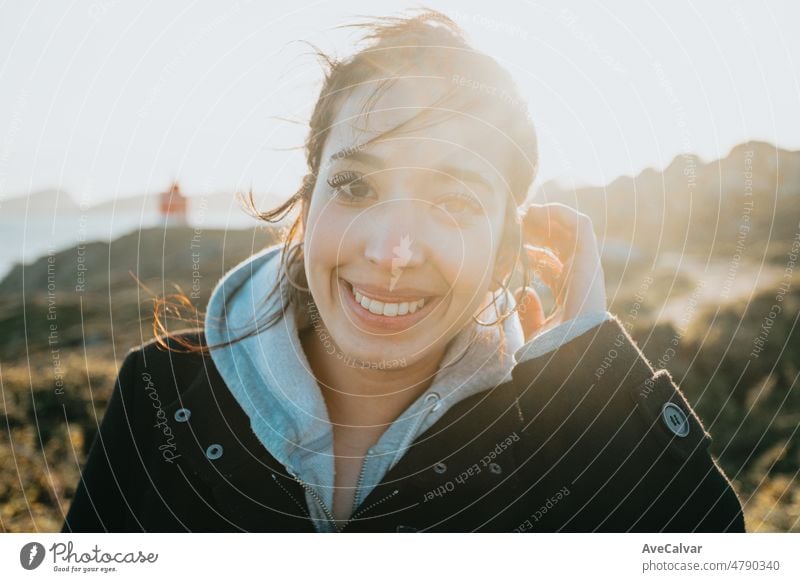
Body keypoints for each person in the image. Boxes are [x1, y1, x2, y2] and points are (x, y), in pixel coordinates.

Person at [62, 9, 746, 533]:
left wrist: (597, 387)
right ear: (307, 203)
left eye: (454, 201)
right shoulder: (158, 391)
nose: (393, 252)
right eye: (355, 186)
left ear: (509, 245)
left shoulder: (558, 429)